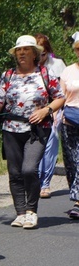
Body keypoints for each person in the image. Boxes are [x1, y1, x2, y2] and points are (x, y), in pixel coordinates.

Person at [0, 35, 65, 229]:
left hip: (37, 130)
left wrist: (46, 110)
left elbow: (60, 98)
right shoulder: (8, 75)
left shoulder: (45, 74)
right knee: (14, 172)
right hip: (11, 129)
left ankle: (31, 211)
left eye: (26, 50)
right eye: (18, 50)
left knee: (29, 169)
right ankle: (20, 213)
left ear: (35, 53)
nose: (21, 53)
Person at [34, 33, 66, 198]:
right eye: (37, 54)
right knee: (35, 144)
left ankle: (45, 183)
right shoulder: (30, 66)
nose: (40, 58)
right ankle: (35, 180)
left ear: (48, 52)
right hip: (35, 110)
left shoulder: (57, 64)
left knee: (51, 142)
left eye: (43, 54)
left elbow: (62, 91)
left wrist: (55, 111)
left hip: (54, 109)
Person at [60, 32, 79, 219]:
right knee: (73, 163)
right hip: (70, 122)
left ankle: (78, 201)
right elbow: (60, 98)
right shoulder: (68, 71)